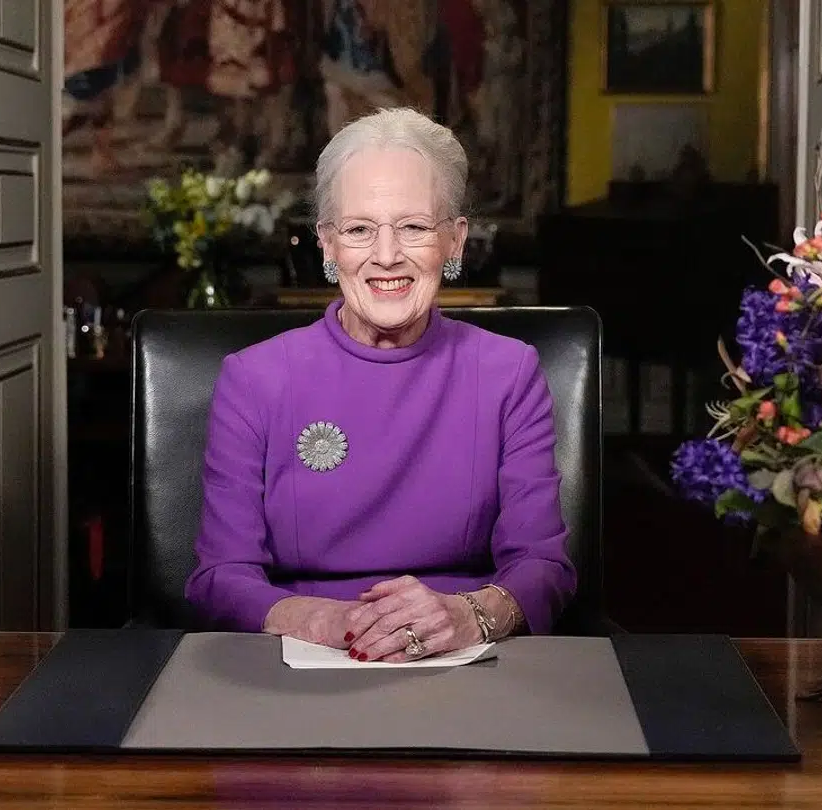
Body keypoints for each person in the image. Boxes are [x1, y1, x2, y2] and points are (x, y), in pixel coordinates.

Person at [184, 107, 577, 662]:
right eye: (359, 229)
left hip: (463, 661)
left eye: (414, 227)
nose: (386, 255)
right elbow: (219, 578)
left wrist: (467, 615)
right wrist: (333, 622)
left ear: (455, 241)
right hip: (300, 659)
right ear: (327, 244)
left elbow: (544, 567)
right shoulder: (254, 378)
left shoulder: (509, 372)